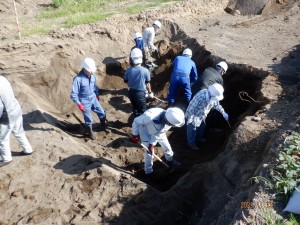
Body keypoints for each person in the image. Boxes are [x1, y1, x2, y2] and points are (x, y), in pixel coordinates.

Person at [131, 107, 184, 175]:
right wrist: (135, 135)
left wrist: (152, 144)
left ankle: (170, 160)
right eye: (173, 125)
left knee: (167, 147)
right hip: (146, 132)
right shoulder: (150, 116)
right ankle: (148, 171)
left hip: (159, 132)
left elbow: (160, 133)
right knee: (149, 154)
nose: (173, 126)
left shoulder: (169, 120)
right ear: (168, 121)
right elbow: (136, 121)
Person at [70, 58, 109, 140]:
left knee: (102, 113)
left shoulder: (92, 76)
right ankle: (90, 132)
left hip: (93, 98)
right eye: (89, 71)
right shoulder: (78, 79)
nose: (91, 72)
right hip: (84, 101)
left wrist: (97, 94)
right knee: (88, 119)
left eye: (91, 71)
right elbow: (73, 94)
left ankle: (103, 125)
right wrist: (79, 104)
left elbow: (95, 87)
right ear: (84, 69)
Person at [0, 75, 33, 167]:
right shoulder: (2, 78)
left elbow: (0, 107)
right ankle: (28, 149)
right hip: (16, 110)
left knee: (2, 139)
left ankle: (6, 159)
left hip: (7, 116)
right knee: (19, 132)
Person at [185, 83, 229, 151]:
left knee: (202, 127)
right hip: (193, 116)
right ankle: (191, 144)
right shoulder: (201, 96)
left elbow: (217, 105)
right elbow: (191, 107)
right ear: (212, 94)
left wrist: (223, 112)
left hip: (202, 116)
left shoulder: (213, 97)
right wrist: (189, 118)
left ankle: (199, 138)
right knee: (192, 131)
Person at [124, 48, 153, 118]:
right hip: (140, 94)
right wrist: (149, 92)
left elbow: (126, 81)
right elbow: (148, 84)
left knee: (135, 108)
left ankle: (135, 120)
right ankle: (140, 125)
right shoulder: (145, 71)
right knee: (142, 112)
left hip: (131, 93)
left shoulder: (128, 70)